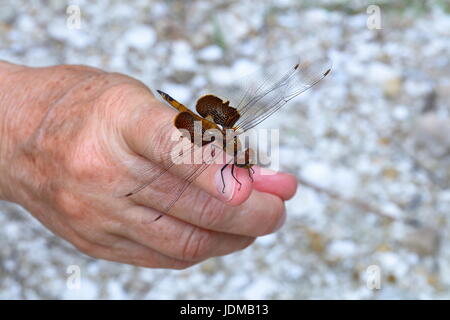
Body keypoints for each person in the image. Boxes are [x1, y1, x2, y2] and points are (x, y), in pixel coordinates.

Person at [0, 61, 297, 269]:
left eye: (243, 160)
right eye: (243, 160)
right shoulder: (222, 147)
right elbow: (220, 165)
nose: (242, 161)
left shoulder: (231, 146)